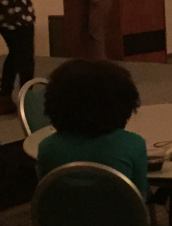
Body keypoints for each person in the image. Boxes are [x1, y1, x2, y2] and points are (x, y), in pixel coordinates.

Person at [37, 59, 146, 196]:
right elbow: (140, 198)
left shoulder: (47, 148)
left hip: (63, 217)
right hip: (118, 217)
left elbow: (47, 200)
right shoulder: (133, 145)